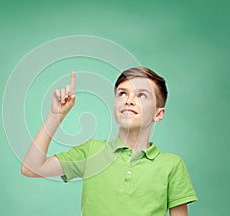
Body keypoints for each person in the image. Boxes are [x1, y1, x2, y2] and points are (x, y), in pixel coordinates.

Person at [21, 67, 198, 216]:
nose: (129, 100)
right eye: (122, 93)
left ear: (158, 114)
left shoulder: (172, 165)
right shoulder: (92, 151)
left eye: (141, 95)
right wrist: (55, 116)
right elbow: (31, 168)